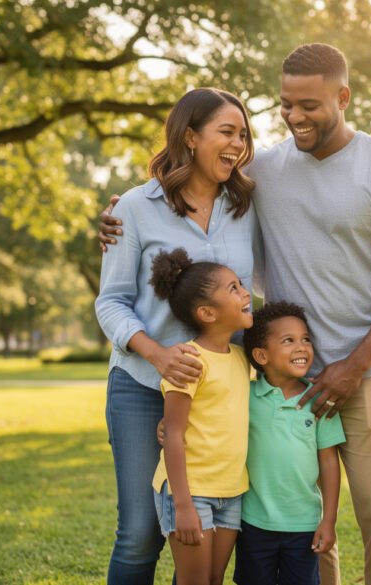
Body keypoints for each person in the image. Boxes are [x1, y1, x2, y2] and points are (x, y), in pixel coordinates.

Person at [100, 43, 371, 585]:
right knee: (291, 527)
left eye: (310, 105)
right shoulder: (263, 173)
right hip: (268, 381)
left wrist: (352, 366)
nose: (294, 117)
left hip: (365, 373)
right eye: (286, 105)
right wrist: (119, 211)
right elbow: (184, 189)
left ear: (343, 97)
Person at [95, 87, 259, 585]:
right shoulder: (134, 207)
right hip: (142, 386)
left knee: (211, 529)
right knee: (141, 531)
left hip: (218, 395)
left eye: (244, 134)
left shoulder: (247, 205)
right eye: (226, 132)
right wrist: (157, 354)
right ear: (190, 136)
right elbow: (111, 300)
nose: (238, 144)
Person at [148, 248, 253, 585]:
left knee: (213, 580)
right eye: (234, 289)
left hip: (232, 490)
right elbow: (174, 435)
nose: (246, 293)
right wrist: (182, 505)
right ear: (207, 312)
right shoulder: (189, 361)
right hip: (190, 492)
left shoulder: (242, 358)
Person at [236, 301, 345, 585]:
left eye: (306, 339)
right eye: (288, 341)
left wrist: (328, 519)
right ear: (261, 355)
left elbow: (329, 461)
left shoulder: (320, 399)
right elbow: (211, 419)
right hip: (253, 523)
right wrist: (167, 425)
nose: (302, 347)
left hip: (304, 525)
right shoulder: (244, 397)